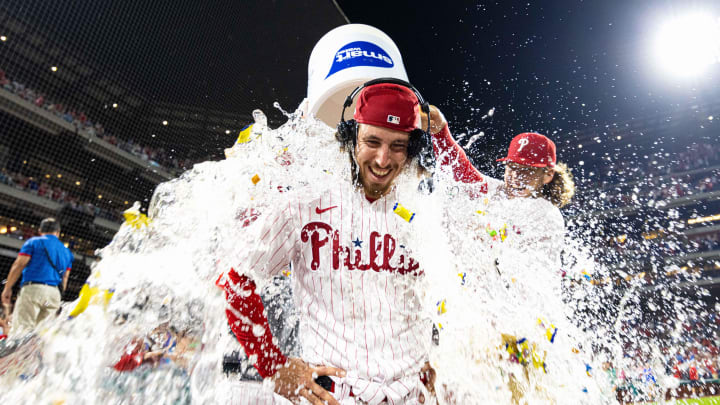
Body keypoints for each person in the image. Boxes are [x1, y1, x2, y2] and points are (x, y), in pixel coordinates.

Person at [222, 80, 438, 405]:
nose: (382, 159)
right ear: (351, 138)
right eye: (372, 141)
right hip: (330, 397)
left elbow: (442, 300)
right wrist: (273, 365)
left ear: (413, 149)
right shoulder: (306, 201)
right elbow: (236, 278)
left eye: (397, 146)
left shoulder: (424, 214)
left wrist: (437, 354)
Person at [1, 217, 73, 335]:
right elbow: (65, 278)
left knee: (21, 330)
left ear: (40, 231)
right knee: (44, 334)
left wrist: (7, 288)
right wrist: (58, 296)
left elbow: (19, 265)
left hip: (33, 290)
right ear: (58, 233)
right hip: (54, 294)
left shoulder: (34, 242)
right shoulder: (67, 252)